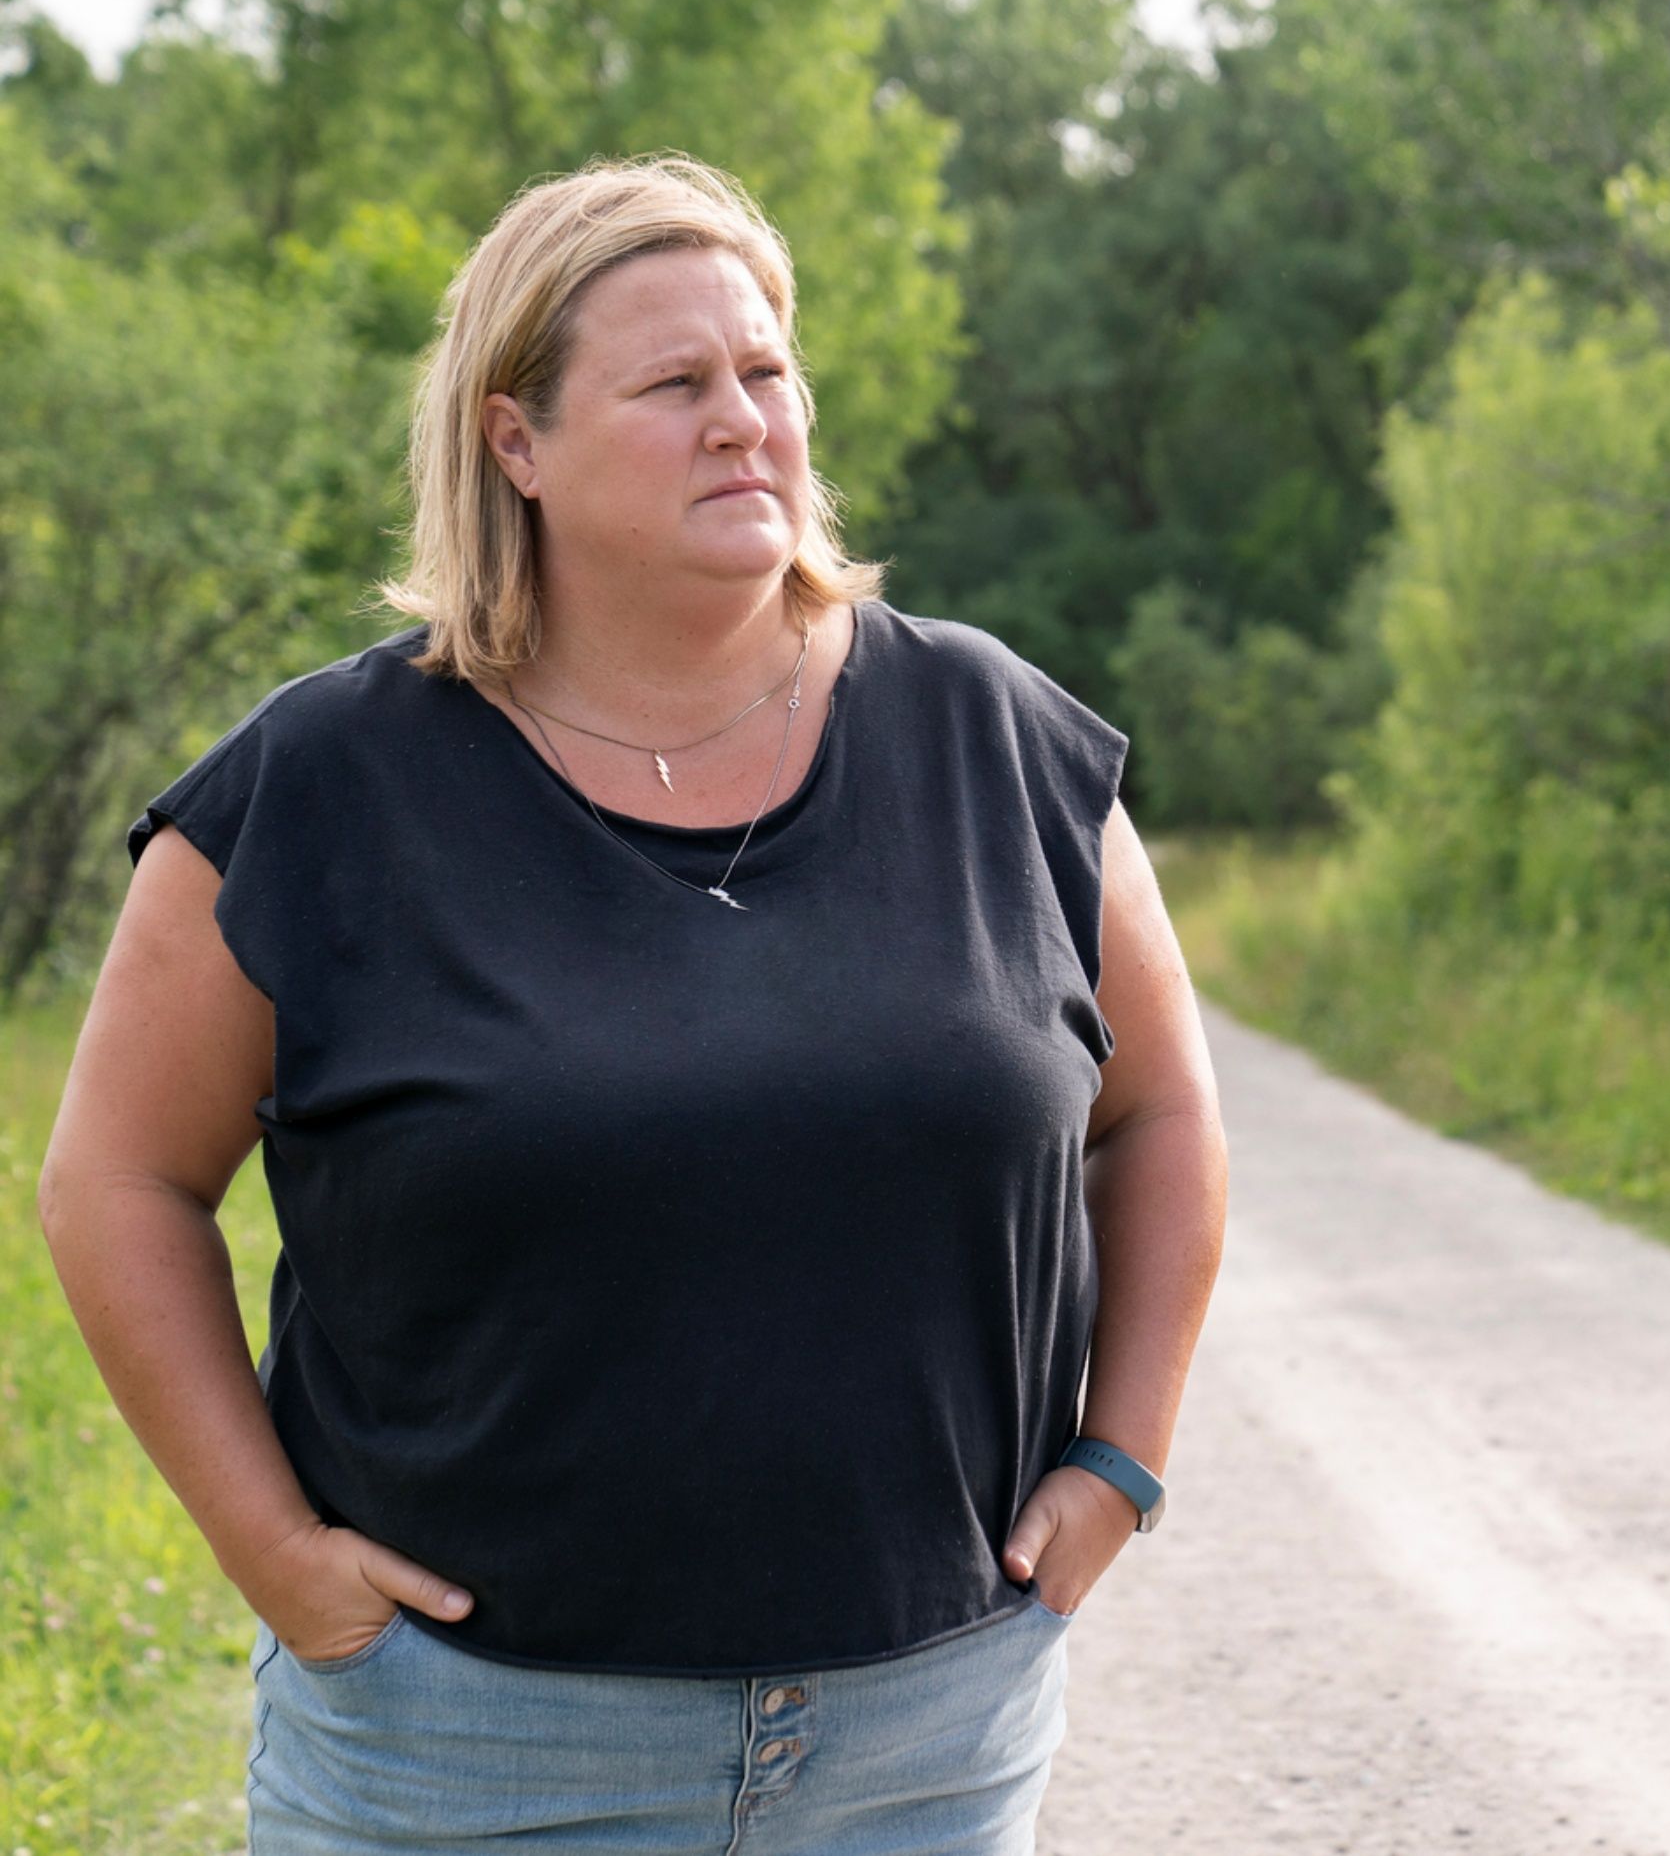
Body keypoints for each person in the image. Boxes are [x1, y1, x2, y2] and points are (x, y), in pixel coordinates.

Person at [37, 154, 1227, 1851]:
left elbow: (1161, 1113)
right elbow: (116, 1187)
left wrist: (1122, 1461)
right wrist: (281, 1564)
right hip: (466, 1753)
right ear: (516, 443)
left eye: (767, 372)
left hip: (927, 1746)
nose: (745, 419)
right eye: (676, 385)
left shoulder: (998, 740)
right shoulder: (324, 787)